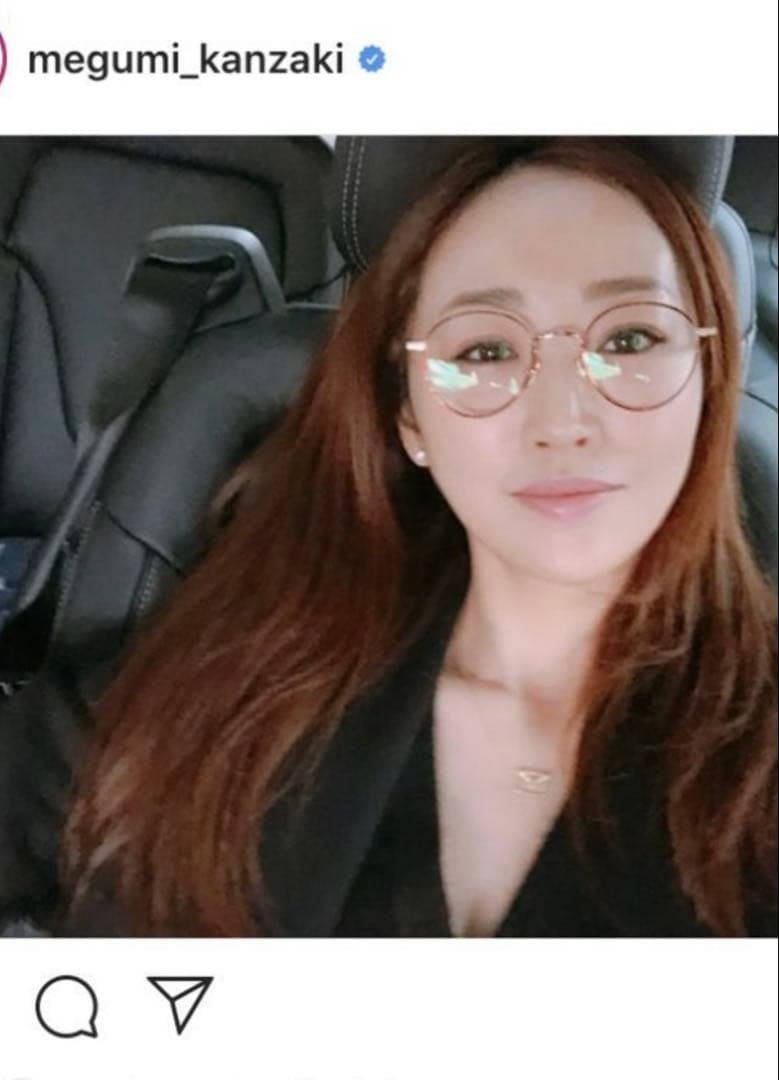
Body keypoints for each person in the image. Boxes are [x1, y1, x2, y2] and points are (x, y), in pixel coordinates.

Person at [0, 137, 776, 938]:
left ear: (708, 376)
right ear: (410, 417)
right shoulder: (225, 675)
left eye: (629, 340)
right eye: (484, 350)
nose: (562, 421)